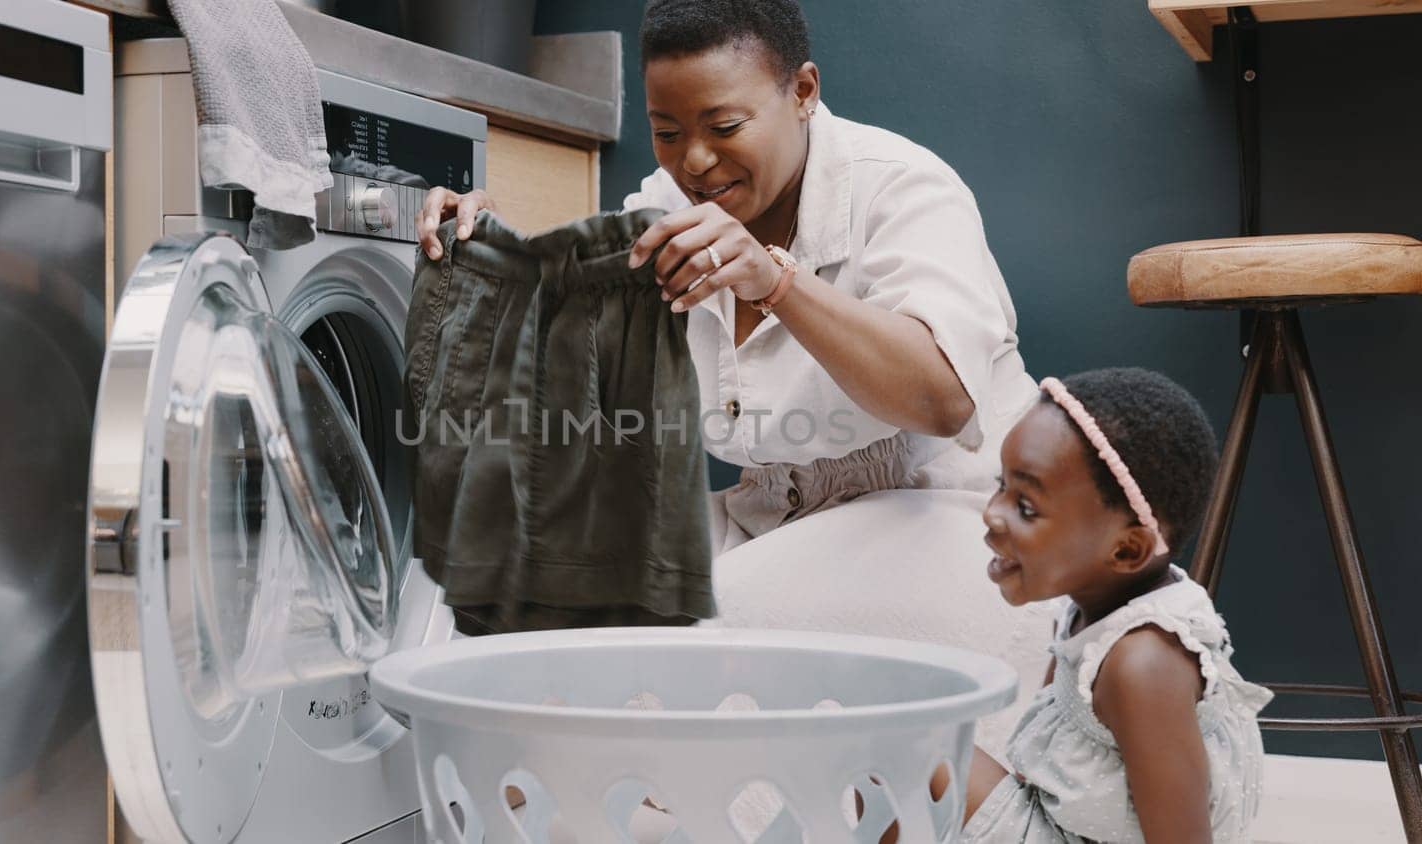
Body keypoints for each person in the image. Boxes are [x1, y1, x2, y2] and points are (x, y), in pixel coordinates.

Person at [415, 0, 1051, 759]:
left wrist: (773, 281)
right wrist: (486, 243)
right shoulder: (666, 207)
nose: (694, 163)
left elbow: (941, 398)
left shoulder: (904, 191)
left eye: (723, 128)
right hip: (776, 525)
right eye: (668, 131)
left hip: (952, 530)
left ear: (804, 92)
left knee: (684, 649)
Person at [957, 368, 1271, 844]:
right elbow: (1038, 750)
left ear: (1127, 551)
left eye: (1025, 507)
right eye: (1002, 485)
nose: (992, 512)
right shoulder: (1094, 605)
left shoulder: (1142, 665)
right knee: (905, 749)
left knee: (901, 761)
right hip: (1059, 822)